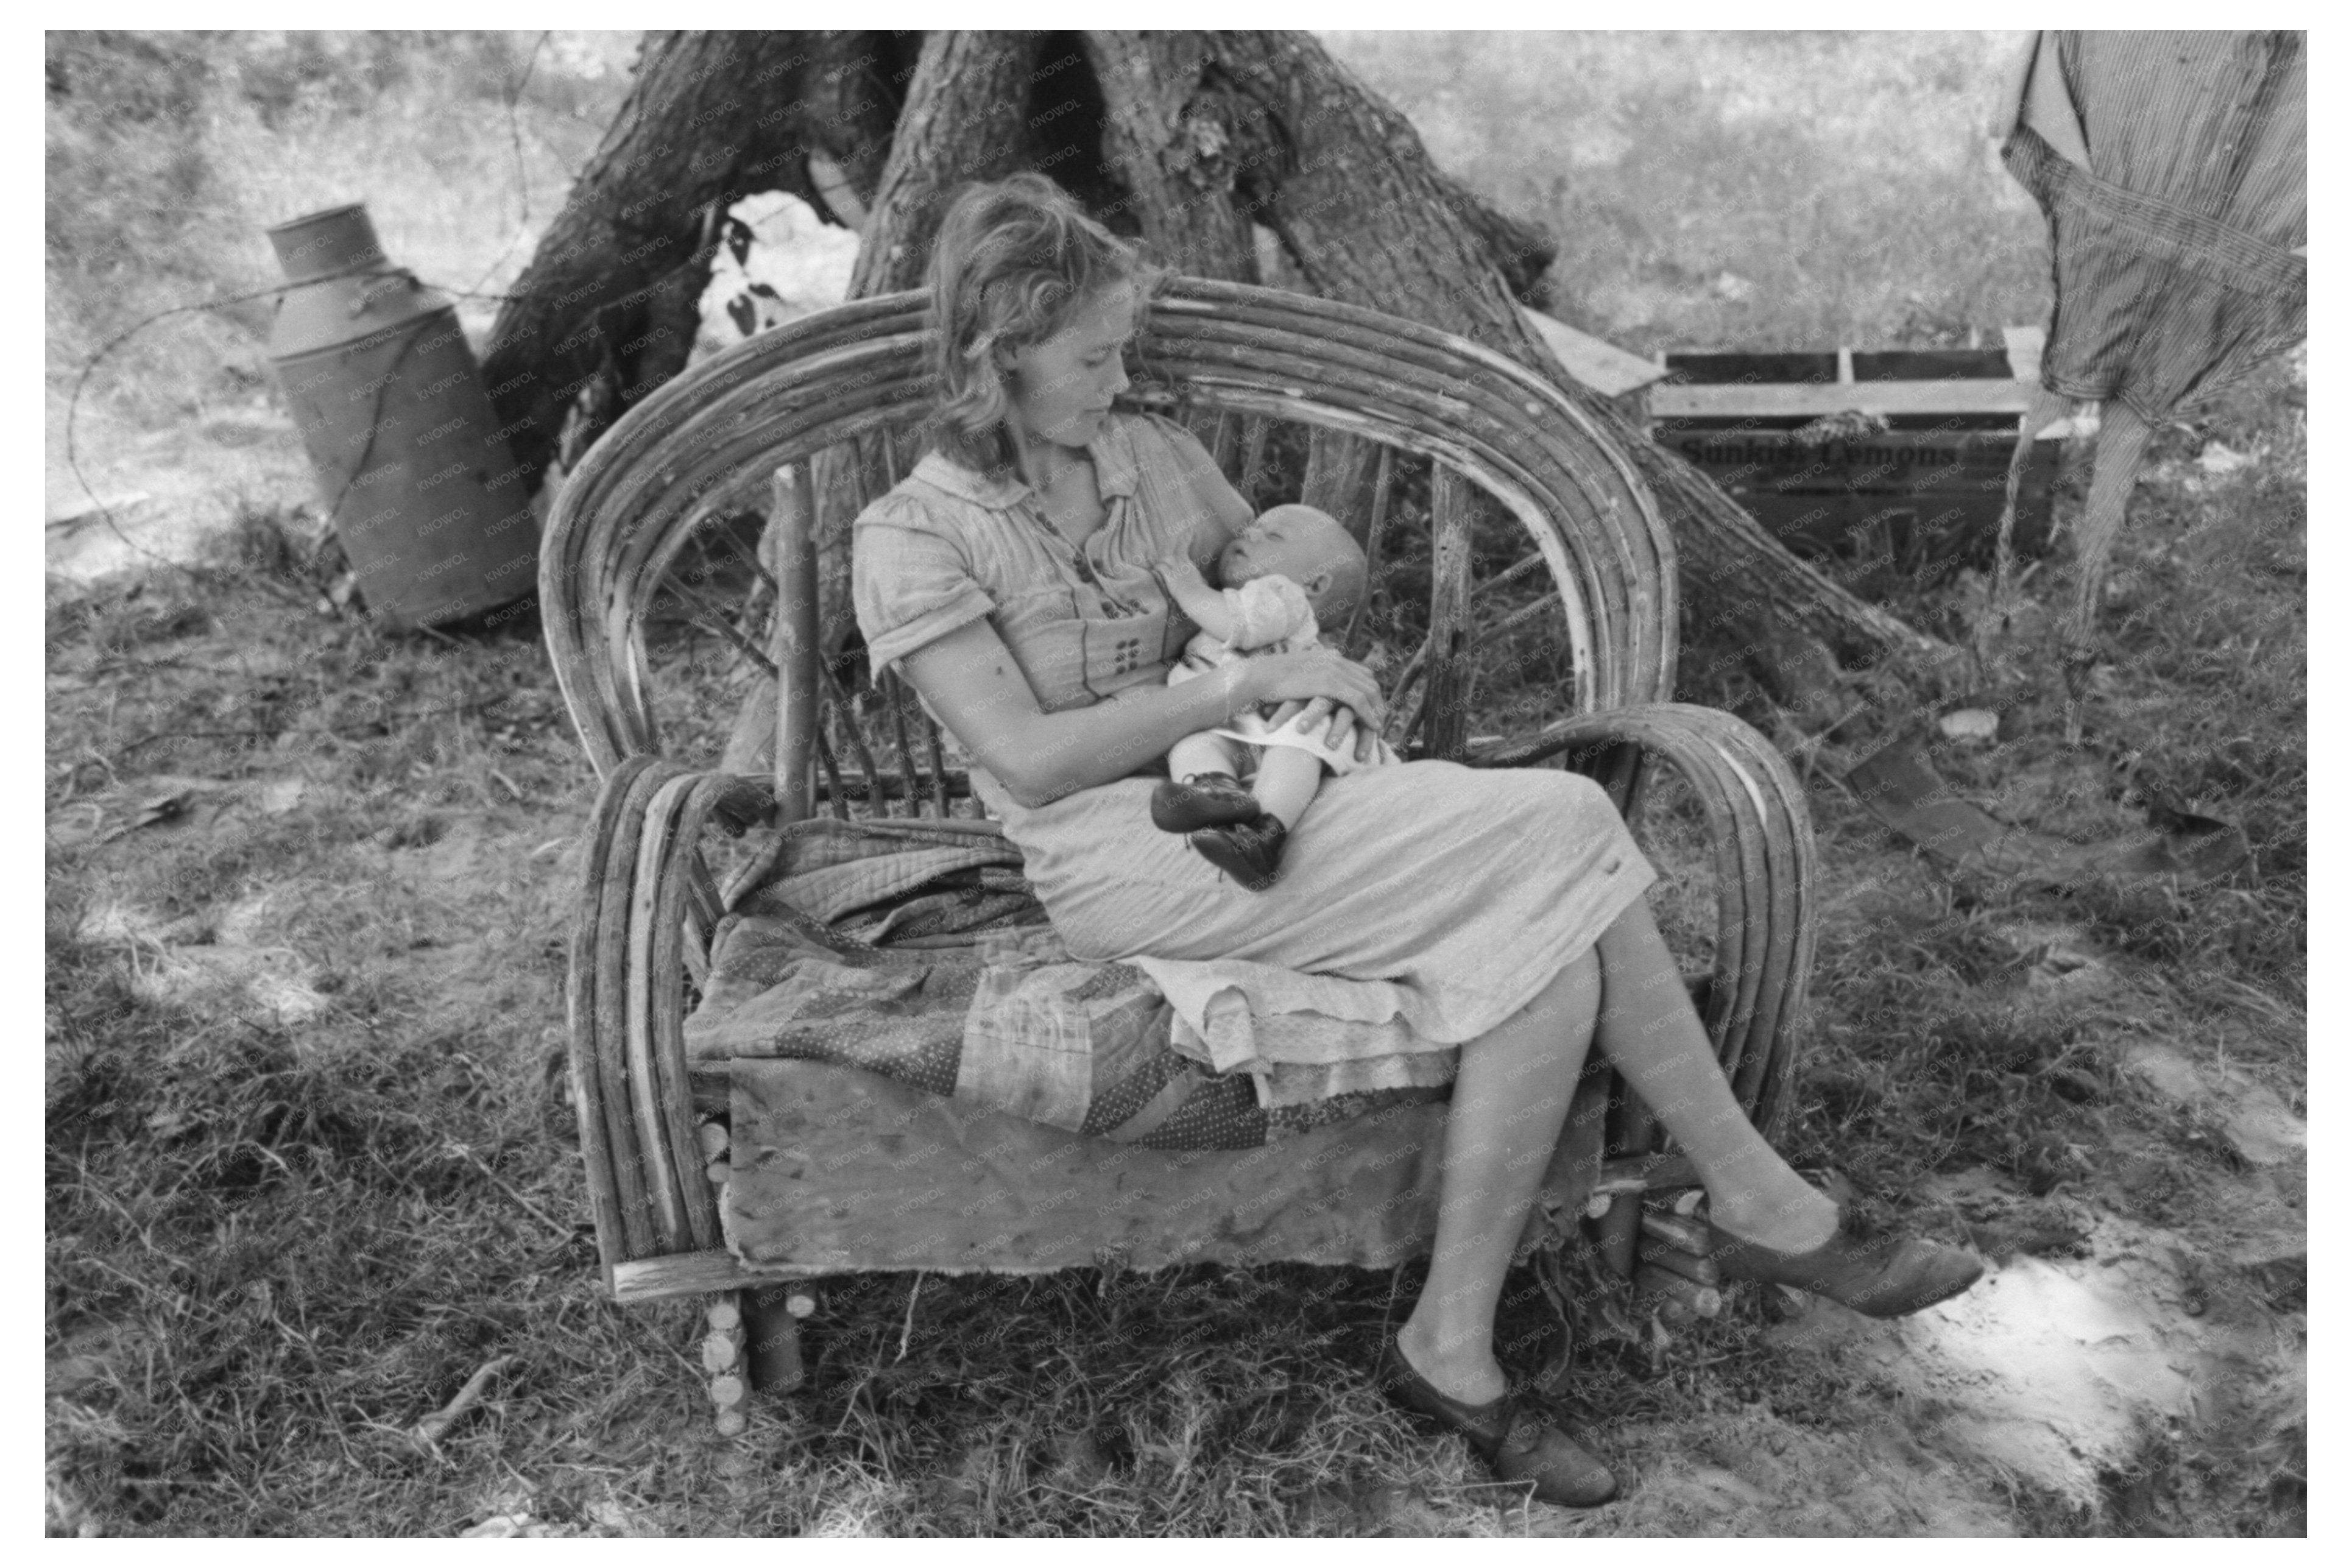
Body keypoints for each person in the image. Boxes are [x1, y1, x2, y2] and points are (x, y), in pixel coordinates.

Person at [850, 172, 1983, 1508]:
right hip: (1125, 850)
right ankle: (1756, 1200)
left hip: (1283, 792)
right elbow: (1030, 761)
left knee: (1549, 949)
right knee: (1565, 821)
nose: (1120, 377)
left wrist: (1315, 673)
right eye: (1094, 355)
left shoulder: (1147, 457)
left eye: (1123, 350)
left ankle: (1454, 1346)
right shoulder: (914, 538)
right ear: (1000, 354)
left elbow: (1279, 590)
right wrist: (1223, 695)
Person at [1145, 502, 1395, 889]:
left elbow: (1236, 624)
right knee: (1193, 744)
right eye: (1251, 529)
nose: (1249, 535)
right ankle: (1215, 792)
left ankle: (1264, 834)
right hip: (1239, 723)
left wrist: (1184, 584)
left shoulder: (1283, 597)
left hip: (1287, 718)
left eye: (1273, 536)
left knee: (1295, 747)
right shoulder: (1233, 596)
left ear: (1314, 585)